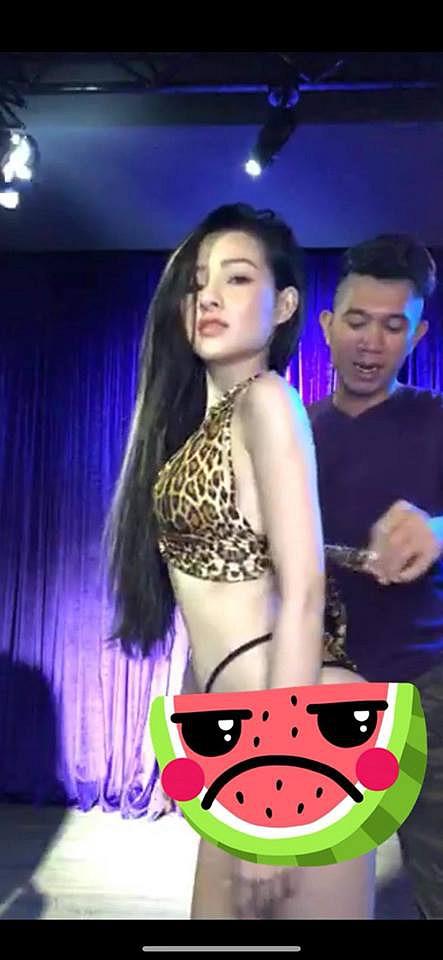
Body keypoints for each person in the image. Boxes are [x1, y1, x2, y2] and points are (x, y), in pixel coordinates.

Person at [105, 203, 375, 920]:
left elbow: (303, 592)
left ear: (284, 306)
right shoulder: (194, 433)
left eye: (237, 278)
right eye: (197, 282)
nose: (210, 297)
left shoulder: (268, 400)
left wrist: (278, 784)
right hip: (242, 737)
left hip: (298, 741)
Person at [308, 233, 443, 920]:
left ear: (416, 335)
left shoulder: (436, 419)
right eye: (357, 321)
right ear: (327, 325)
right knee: (314, 890)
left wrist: (438, 527)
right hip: (314, 691)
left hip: (427, 689)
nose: (371, 342)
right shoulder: (290, 430)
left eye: (393, 326)